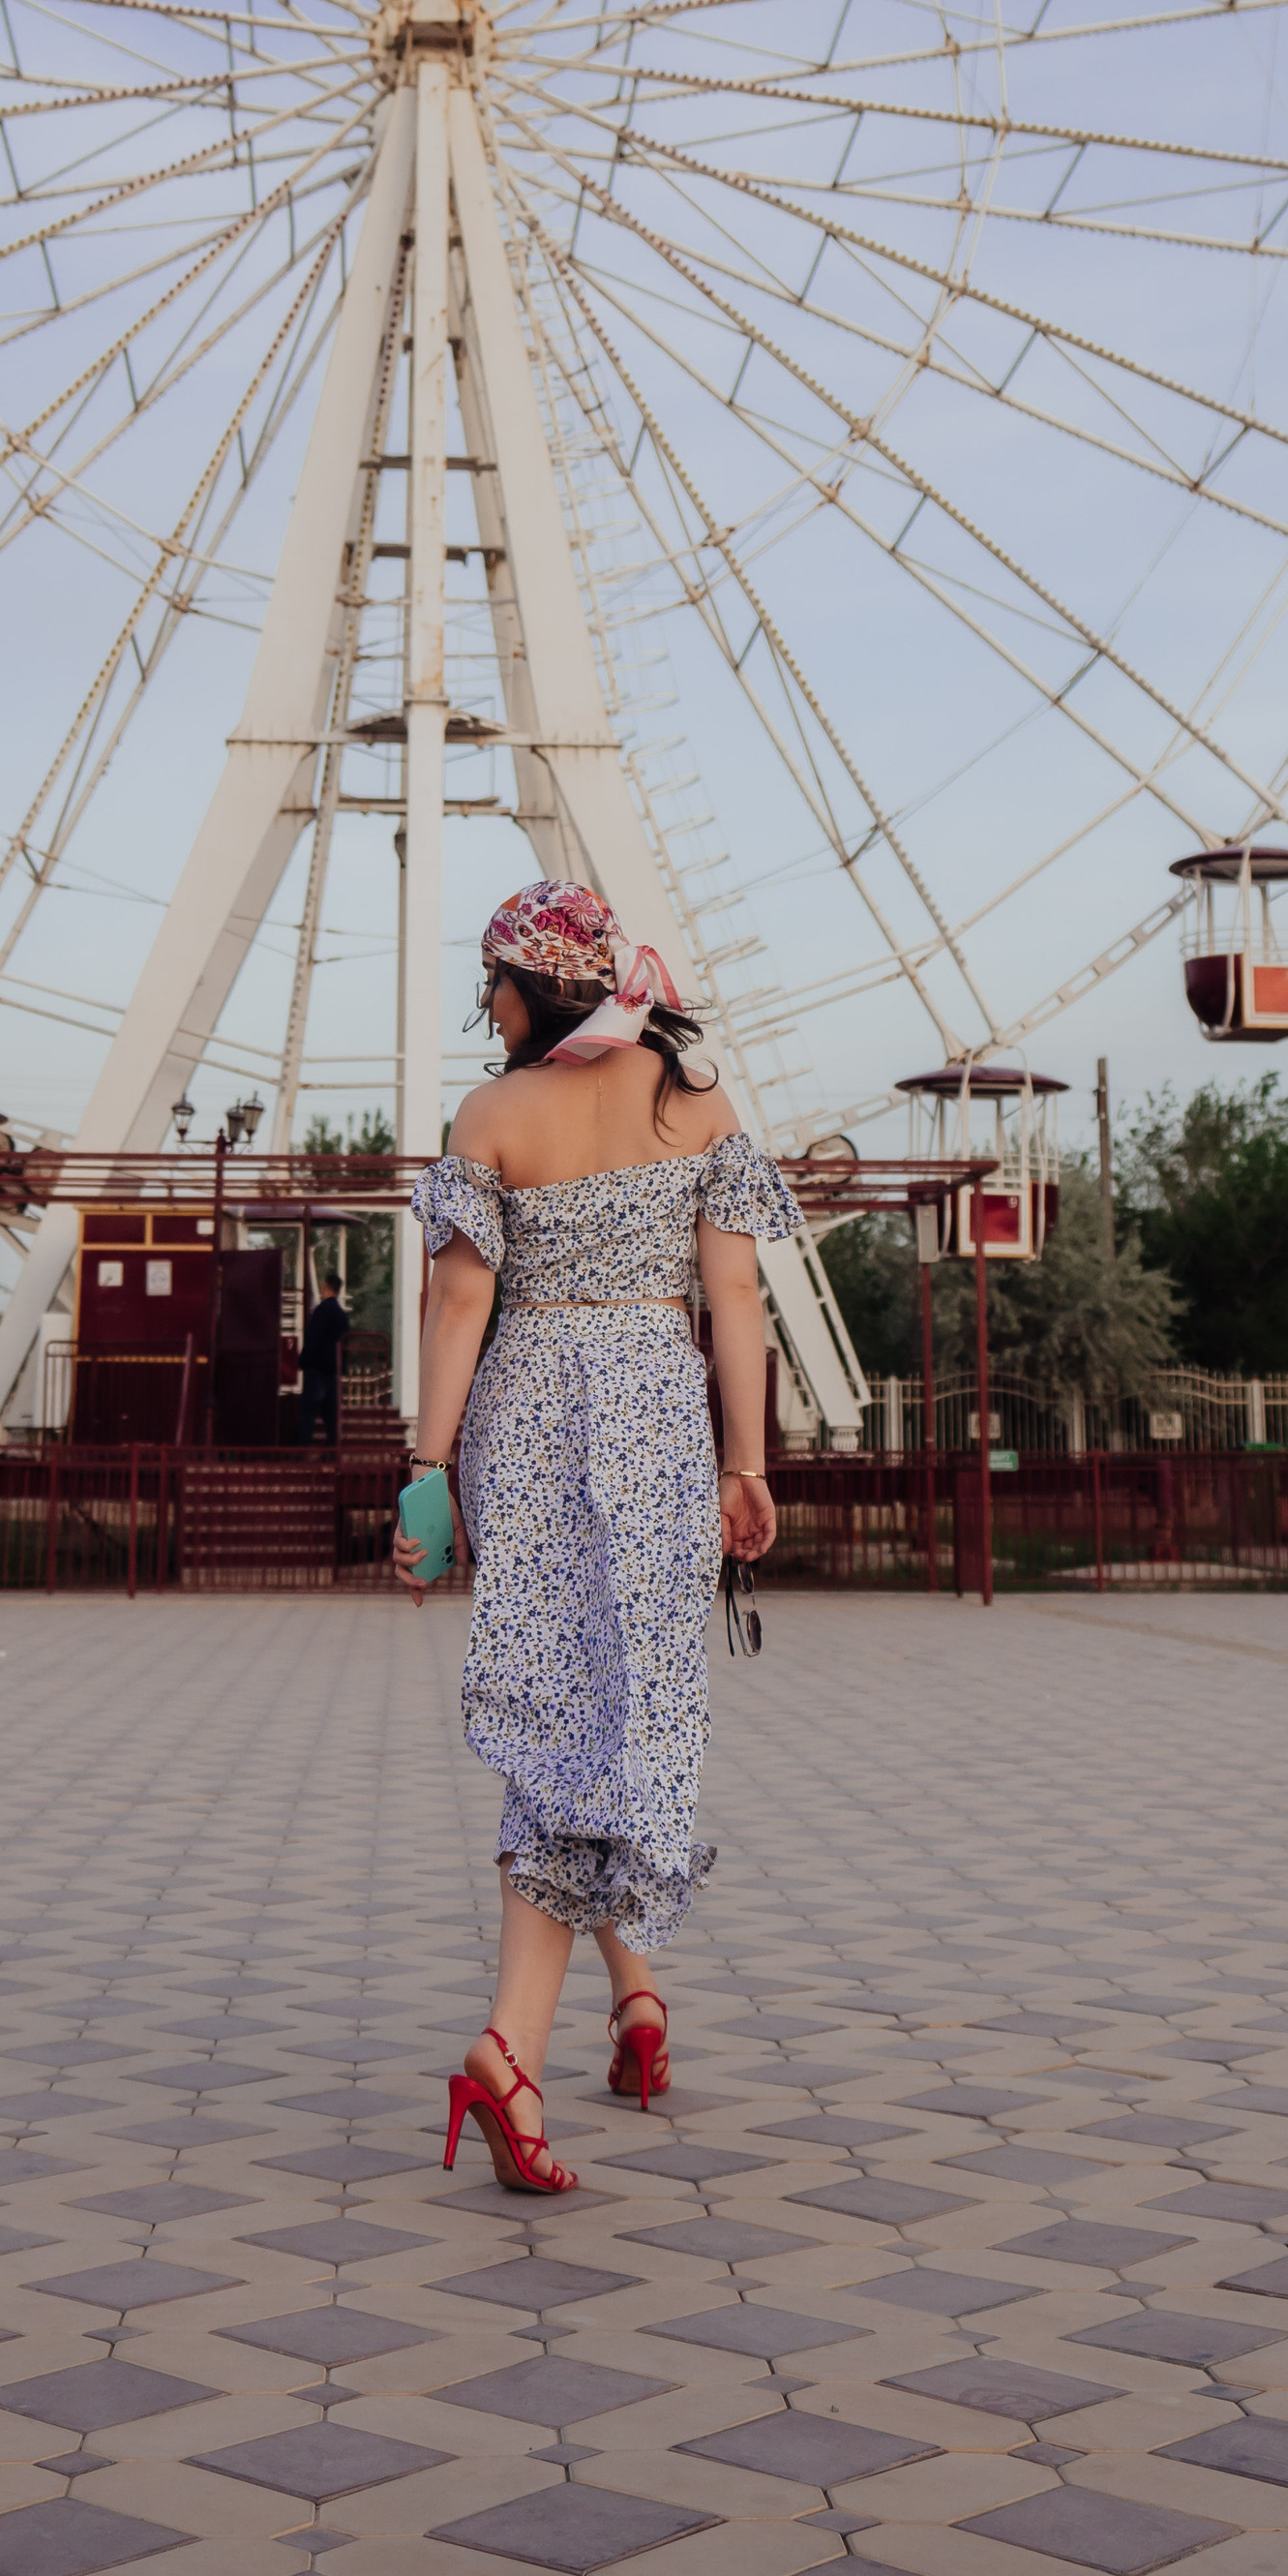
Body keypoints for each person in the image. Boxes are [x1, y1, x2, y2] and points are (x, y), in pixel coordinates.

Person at [395, 880, 783, 2195]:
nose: (486, 1005)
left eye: (492, 982)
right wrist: (745, 1462)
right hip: (659, 1414)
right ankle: (564, 2023)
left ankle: (547, 2031)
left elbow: (459, 1304)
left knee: (563, 1711)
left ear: (533, 984)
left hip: (527, 1421)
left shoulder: (490, 1115)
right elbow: (735, 1294)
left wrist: (427, 1473)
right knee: (621, 1712)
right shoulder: (697, 1099)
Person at [300, 1268, 349, 1448]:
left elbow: (314, 1338)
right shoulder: (341, 1315)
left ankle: (303, 1449)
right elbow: (345, 1343)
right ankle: (331, 1451)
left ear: (326, 1286)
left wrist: (304, 1360)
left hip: (317, 1369)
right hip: (332, 1370)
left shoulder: (321, 1311)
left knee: (308, 1412)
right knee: (330, 1416)